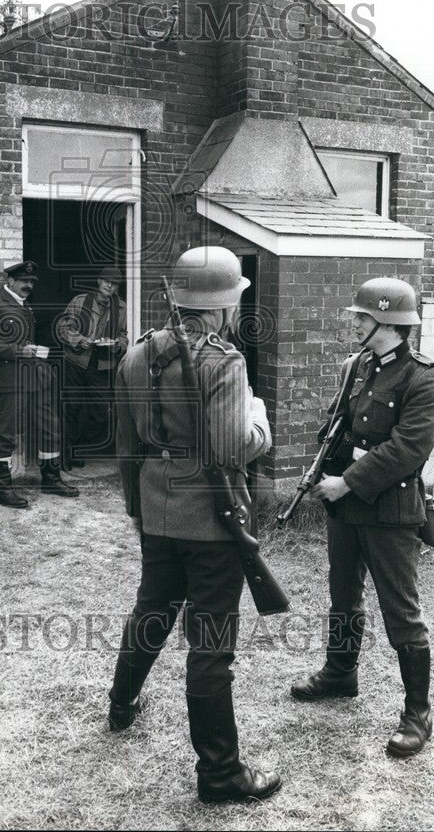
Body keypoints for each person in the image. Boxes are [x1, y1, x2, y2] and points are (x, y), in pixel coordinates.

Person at [107, 246, 281, 805]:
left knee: (152, 611)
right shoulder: (223, 360)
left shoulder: (137, 354)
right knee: (210, 649)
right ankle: (221, 774)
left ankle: (121, 703)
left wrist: (139, 511)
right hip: (212, 519)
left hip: (158, 509)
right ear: (226, 303)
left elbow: (128, 447)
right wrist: (259, 417)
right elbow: (235, 448)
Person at [291, 277, 434, 759]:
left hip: (391, 511)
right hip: (346, 508)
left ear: (388, 322)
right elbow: (343, 424)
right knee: (343, 595)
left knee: (401, 611)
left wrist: (348, 482)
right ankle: (341, 673)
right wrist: (322, 466)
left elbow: (407, 450)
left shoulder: (423, 378)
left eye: (361, 316)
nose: (354, 322)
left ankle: (417, 713)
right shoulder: (359, 367)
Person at [0, 260, 79, 507]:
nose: (28, 285)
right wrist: (18, 351)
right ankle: (2, 489)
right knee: (6, 433)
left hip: (36, 379)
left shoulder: (26, 306)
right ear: (10, 281)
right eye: (24, 281)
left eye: (31, 282)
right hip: (11, 379)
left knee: (49, 427)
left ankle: (51, 479)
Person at [57, 266, 128, 469]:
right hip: (76, 361)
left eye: (114, 283)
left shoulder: (121, 307)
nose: (109, 285)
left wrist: (118, 345)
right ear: (99, 281)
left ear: (117, 287)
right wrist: (80, 340)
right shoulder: (80, 302)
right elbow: (63, 328)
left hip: (102, 364)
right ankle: (68, 453)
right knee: (72, 408)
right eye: (106, 281)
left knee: (101, 413)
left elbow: (124, 334)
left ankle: (80, 446)